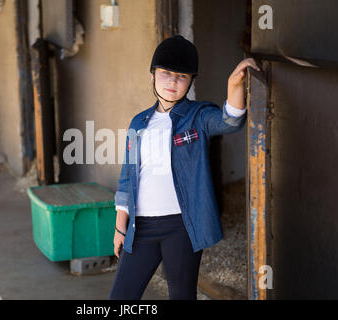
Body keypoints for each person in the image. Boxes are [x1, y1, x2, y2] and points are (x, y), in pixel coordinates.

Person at [109, 35, 260, 300]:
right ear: (153, 75)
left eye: (181, 76)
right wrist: (121, 227)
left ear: (191, 81)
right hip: (140, 227)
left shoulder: (197, 116)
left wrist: (234, 84)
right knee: (121, 296)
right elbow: (126, 178)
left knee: (181, 295)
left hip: (181, 226)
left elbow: (230, 120)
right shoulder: (138, 122)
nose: (172, 82)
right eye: (166, 73)